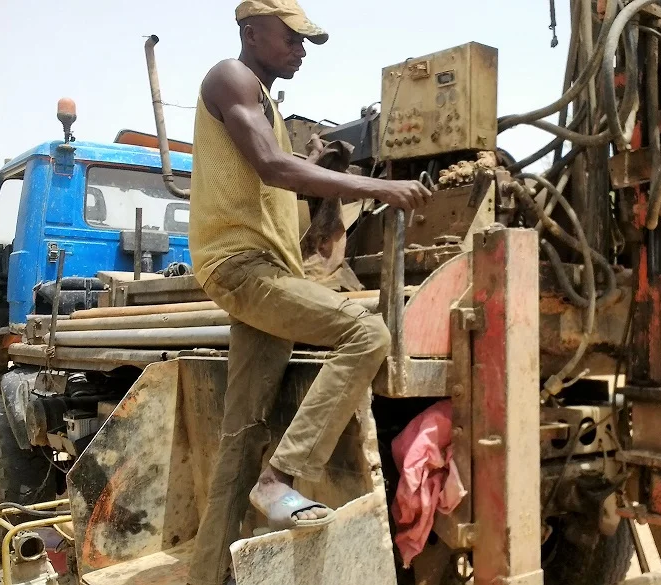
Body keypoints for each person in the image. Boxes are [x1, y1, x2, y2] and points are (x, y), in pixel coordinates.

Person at [185, 1, 432, 584]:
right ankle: (283, 477)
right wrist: (377, 186)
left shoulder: (263, 101)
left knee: (240, 442)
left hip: (270, 270)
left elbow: (276, 165)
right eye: (292, 39)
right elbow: (271, 167)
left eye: (305, 44)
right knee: (366, 332)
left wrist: (314, 165)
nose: (300, 52)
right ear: (251, 32)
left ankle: (208, 577)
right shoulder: (230, 77)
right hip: (245, 268)